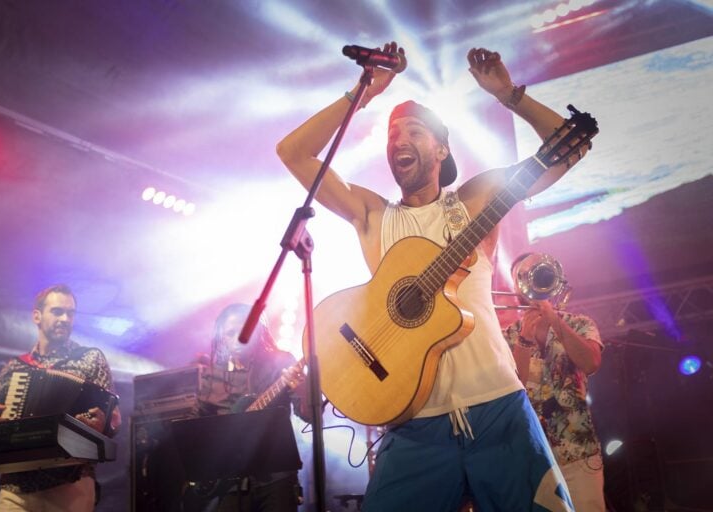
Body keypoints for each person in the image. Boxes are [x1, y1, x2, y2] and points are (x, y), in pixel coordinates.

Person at [276, 42, 590, 510]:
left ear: (440, 148)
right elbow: (293, 151)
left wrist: (510, 95)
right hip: (412, 423)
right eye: (391, 134)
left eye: (413, 131)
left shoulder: (475, 200)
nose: (397, 140)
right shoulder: (373, 216)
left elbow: (568, 148)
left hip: (499, 409)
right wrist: (364, 92)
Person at [0, 284, 121, 512]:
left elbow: (114, 418)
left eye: (70, 313)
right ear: (37, 316)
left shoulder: (91, 358)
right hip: (16, 487)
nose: (65, 318)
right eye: (57, 311)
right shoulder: (16, 367)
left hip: (72, 481)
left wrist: (104, 424)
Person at [503, 254, 606, 511]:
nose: (530, 277)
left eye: (536, 270)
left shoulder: (580, 324)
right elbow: (512, 389)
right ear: (516, 286)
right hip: (531, 456)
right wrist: (525, 339)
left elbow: (591, 362)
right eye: (522, 274)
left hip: (579, 451)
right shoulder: (506, 337)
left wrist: (554, 320)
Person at [191, 303, 310, 512]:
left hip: (276, 476)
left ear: (258, 331)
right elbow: (197, 431)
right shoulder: (212, 376)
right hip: (229, 483)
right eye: (230, 333)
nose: (239, 337)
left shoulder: (281, 362)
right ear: (222, 338)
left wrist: (301, 387)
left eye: (245, 330)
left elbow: (309, 415)